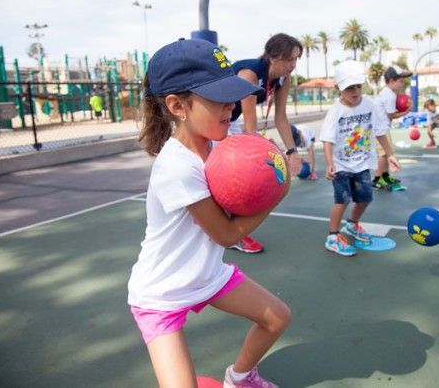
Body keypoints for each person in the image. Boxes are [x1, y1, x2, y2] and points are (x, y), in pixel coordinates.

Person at [128, 38, 291, 387]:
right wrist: (276, 192)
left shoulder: (220, 147)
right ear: (177, 105)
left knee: (277, 318)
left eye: (231, 96)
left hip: (205, 275)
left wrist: (264, 165)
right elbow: (227, 234)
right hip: (161, 294)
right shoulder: (176, 167)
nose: (229, 107)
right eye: (217, 99)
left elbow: (238, 195)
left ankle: (240, 376)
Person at [229, 33, 304, 253]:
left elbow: (280, 118)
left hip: (228, 120)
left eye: (296, 59)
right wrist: (266, 147)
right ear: (273, 57)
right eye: (290, 59)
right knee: (234, 173)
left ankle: (233, 232)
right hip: (211, 119)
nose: (293, 65)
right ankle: (229, 233)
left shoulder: (283, 79)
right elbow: (251, 130)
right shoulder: (249, 74)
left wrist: (292, 151)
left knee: (240, 174)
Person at [319, 60, 401, 256]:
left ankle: (353, 224)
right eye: (349, 88)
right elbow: (327, 140)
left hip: (363, 163)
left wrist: (390, 155)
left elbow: (381, 131)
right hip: (341, 165)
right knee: (342, 200)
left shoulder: (369, 105)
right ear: (338, 88)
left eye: (358, 86)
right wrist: (330, 164)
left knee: (365, 199)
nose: (355, 92)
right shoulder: (336, 110)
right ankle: (332, 236)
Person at [372, 66, 412, 191]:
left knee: (387, 153)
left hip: (382, 127)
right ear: (391, 81)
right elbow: (391, 115)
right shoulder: (389, 96)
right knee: (384, 154)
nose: (402, 84)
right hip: (380, 129)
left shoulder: (388, 92)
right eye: (400, 81)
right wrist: (406, 112)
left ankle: (385, 176)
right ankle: (377, 180)